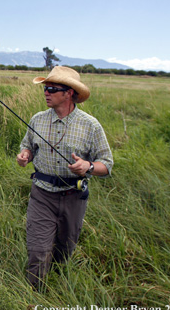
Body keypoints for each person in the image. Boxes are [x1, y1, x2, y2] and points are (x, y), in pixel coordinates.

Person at [16, 66, 113, 289]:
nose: (46, 93)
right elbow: (27, 146)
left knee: (64, 250)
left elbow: (106, 165)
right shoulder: (37, 119)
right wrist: (25, 156)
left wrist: (87, 167)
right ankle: (34, 297)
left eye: (52, 88)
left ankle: (57, 288)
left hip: (74, 198)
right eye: (45, 88)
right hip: (41, 195)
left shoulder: (91, 126)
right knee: (38, 252)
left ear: (69, 93)